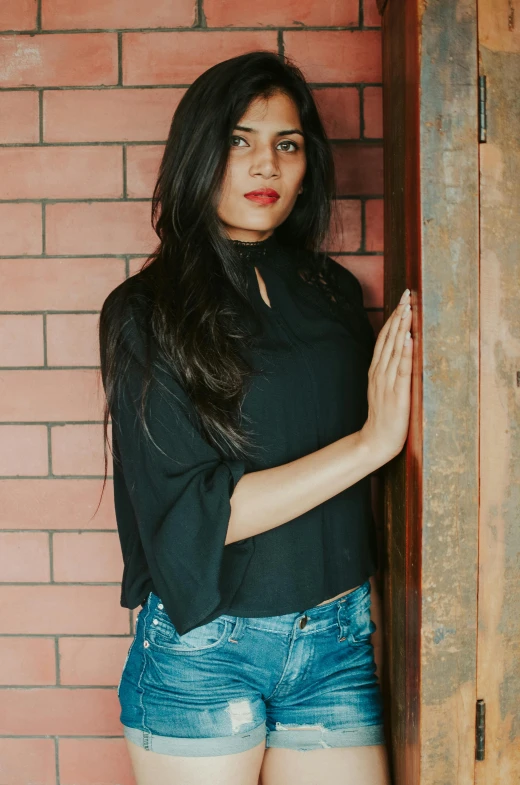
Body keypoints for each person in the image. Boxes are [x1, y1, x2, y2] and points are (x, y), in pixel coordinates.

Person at [98, 50, 413, 785]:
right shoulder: (146, 313)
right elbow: (198, 511)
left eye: (287, 144)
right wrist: (372, 444)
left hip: (336, 643)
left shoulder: (332, 293)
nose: (265, 165)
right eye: (239, 141)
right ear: (199, 153)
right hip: (205, 652)